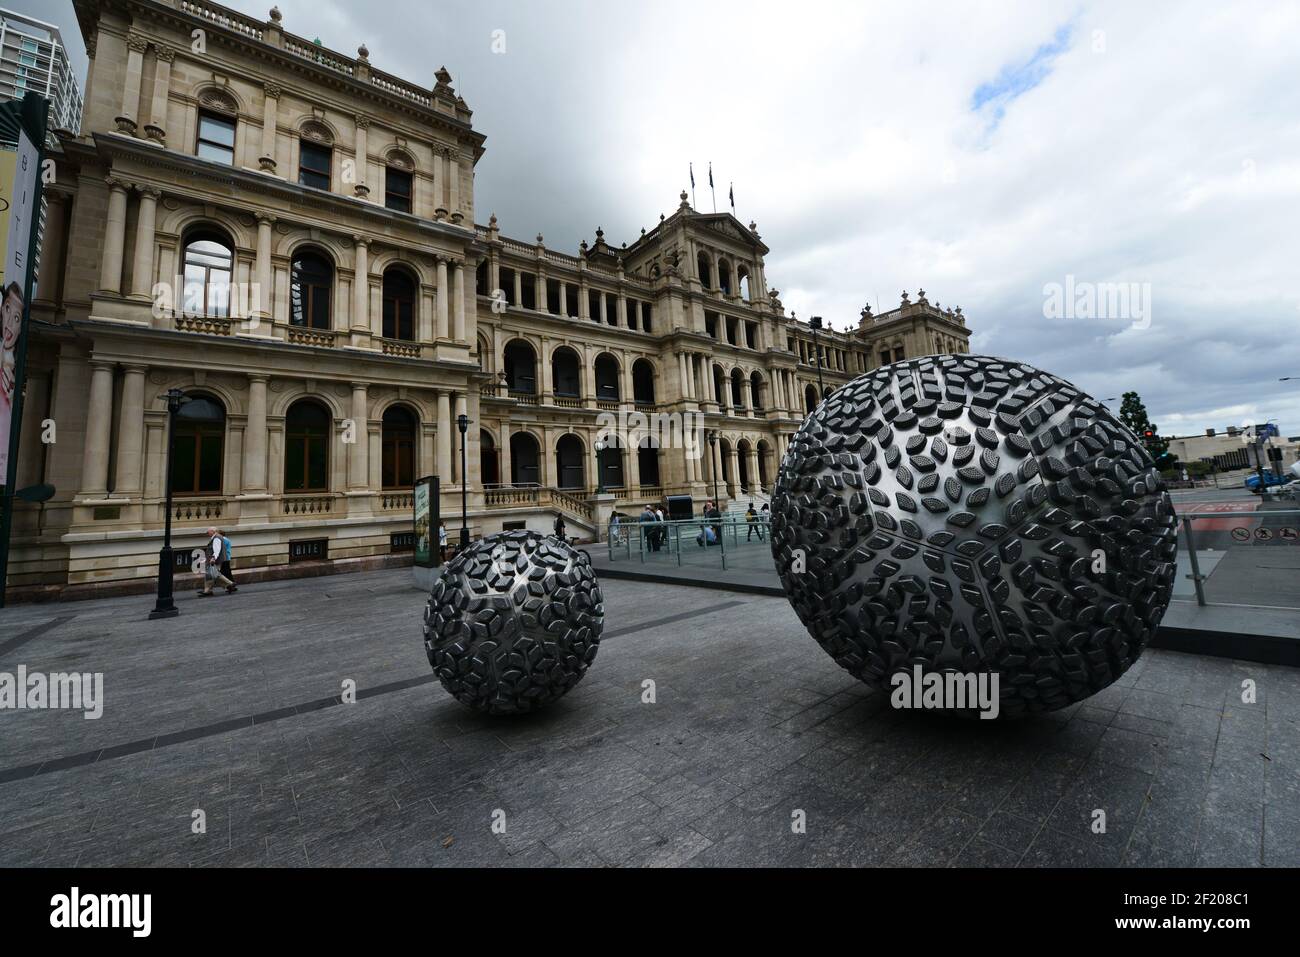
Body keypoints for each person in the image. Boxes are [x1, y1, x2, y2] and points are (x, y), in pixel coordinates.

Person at [199, 527, 236, 596]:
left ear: (213, 531)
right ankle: (207, 591)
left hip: (215, 560)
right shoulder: (216, 537)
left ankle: (230, 584)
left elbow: (217, 549)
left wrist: (213, 558)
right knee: (210, 575)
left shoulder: (216, 538)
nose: (207, 533)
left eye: (208, 532)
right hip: (215, 559)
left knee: (215, 574)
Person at [218, 527, 237, 592]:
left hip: (224, 558)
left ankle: (231, 585)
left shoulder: (223, 540)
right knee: (227, 572)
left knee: (224, 572)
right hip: (226, 558)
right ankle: (231, 585)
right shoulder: (225, 539)